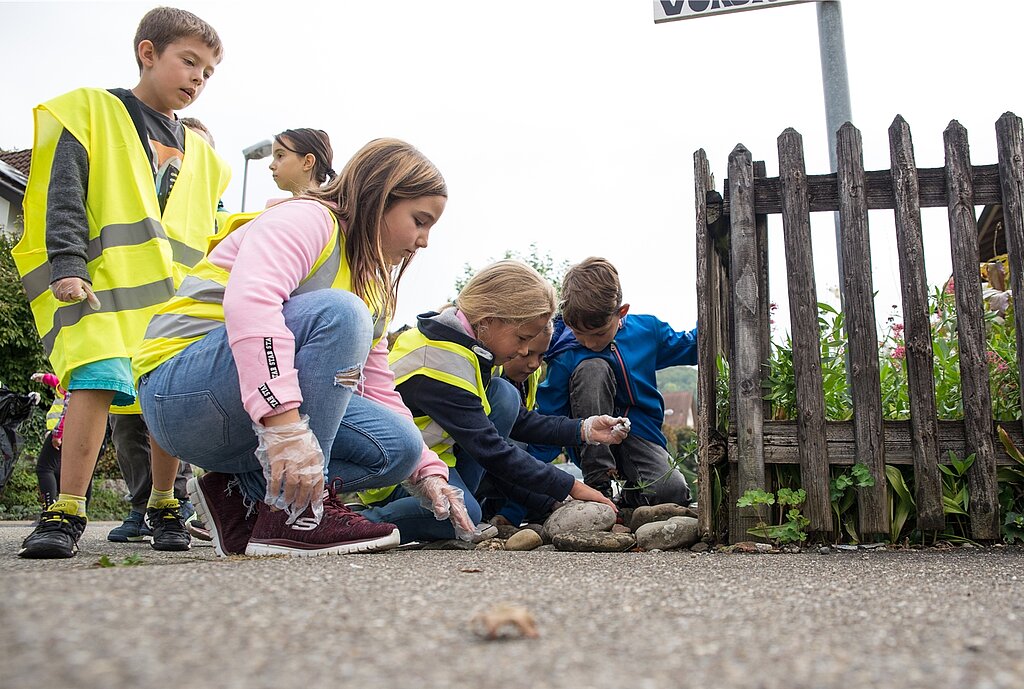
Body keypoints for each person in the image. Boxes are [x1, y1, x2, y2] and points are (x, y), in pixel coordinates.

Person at [132, 137, 474, 558]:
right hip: (180, 393)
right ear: (379, 197)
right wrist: (284, 427)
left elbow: (378, 388)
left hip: (239, 416)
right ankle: (297, 514)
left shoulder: (374, 285)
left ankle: (242, 495)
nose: (423, 241)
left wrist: (429, 472)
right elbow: (252, 304)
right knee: (342, 313)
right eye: (419, 221)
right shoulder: (308, 220)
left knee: (399, 447)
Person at [12, 7, 230, 559]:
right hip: (98, 287)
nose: (197, 79)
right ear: (148, 53)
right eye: (189, 62)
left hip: (169, 300)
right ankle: (65, 511)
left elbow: (209, 231)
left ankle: (162, 504)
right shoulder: (92, 112)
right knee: (94, 384)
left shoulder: (203, 154)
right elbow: (64, 193)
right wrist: (66, 265)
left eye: (207, 72)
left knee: (160, 402)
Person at [357, 260, 629, 544]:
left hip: (436, 461)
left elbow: (519, 422)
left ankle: (461, 498)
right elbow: (491, 449)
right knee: (465, 515)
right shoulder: (440, 362)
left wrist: (584, 429)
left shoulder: (472, 347)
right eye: (522, 338)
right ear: (489, 320)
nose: (524, 351)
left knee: (503, 395)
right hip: (397, 475)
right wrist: (570, 486)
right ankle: (361, 522)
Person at [106, 115, 223, 545]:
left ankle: (172, 504)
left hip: (180, 322)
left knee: (167, 418)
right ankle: (141, 507)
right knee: (126, 424)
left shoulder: (214, 204)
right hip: (132, 313)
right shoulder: (144, 189)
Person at [531, 257, 696, 507]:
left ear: (622, 312)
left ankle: (630, 497)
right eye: (578, 334)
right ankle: (599, 487)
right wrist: (521, 479)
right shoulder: (566, 353)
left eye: (598, 334)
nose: (589, 343)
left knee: (671, 492)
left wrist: (733, 318)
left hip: (640, 436)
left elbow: (691, 346)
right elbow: (549, 420)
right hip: (589, 439)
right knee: (592, 368)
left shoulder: (646, 331)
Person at [28, 372, 95, 513]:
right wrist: (44, 378)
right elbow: (59, 383)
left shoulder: (74, 377)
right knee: (74, 470)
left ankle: (50, 509)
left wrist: (58, 433)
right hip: (83, 431)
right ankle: (79, 510)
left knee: (45, 468)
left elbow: (69, 406)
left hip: (63, 431)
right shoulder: (88, 377)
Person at [269, 128, 335, 196]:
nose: (271, 166)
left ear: (307, 162)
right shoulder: (330, 205)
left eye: (280, 156)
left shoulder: (297, 206)